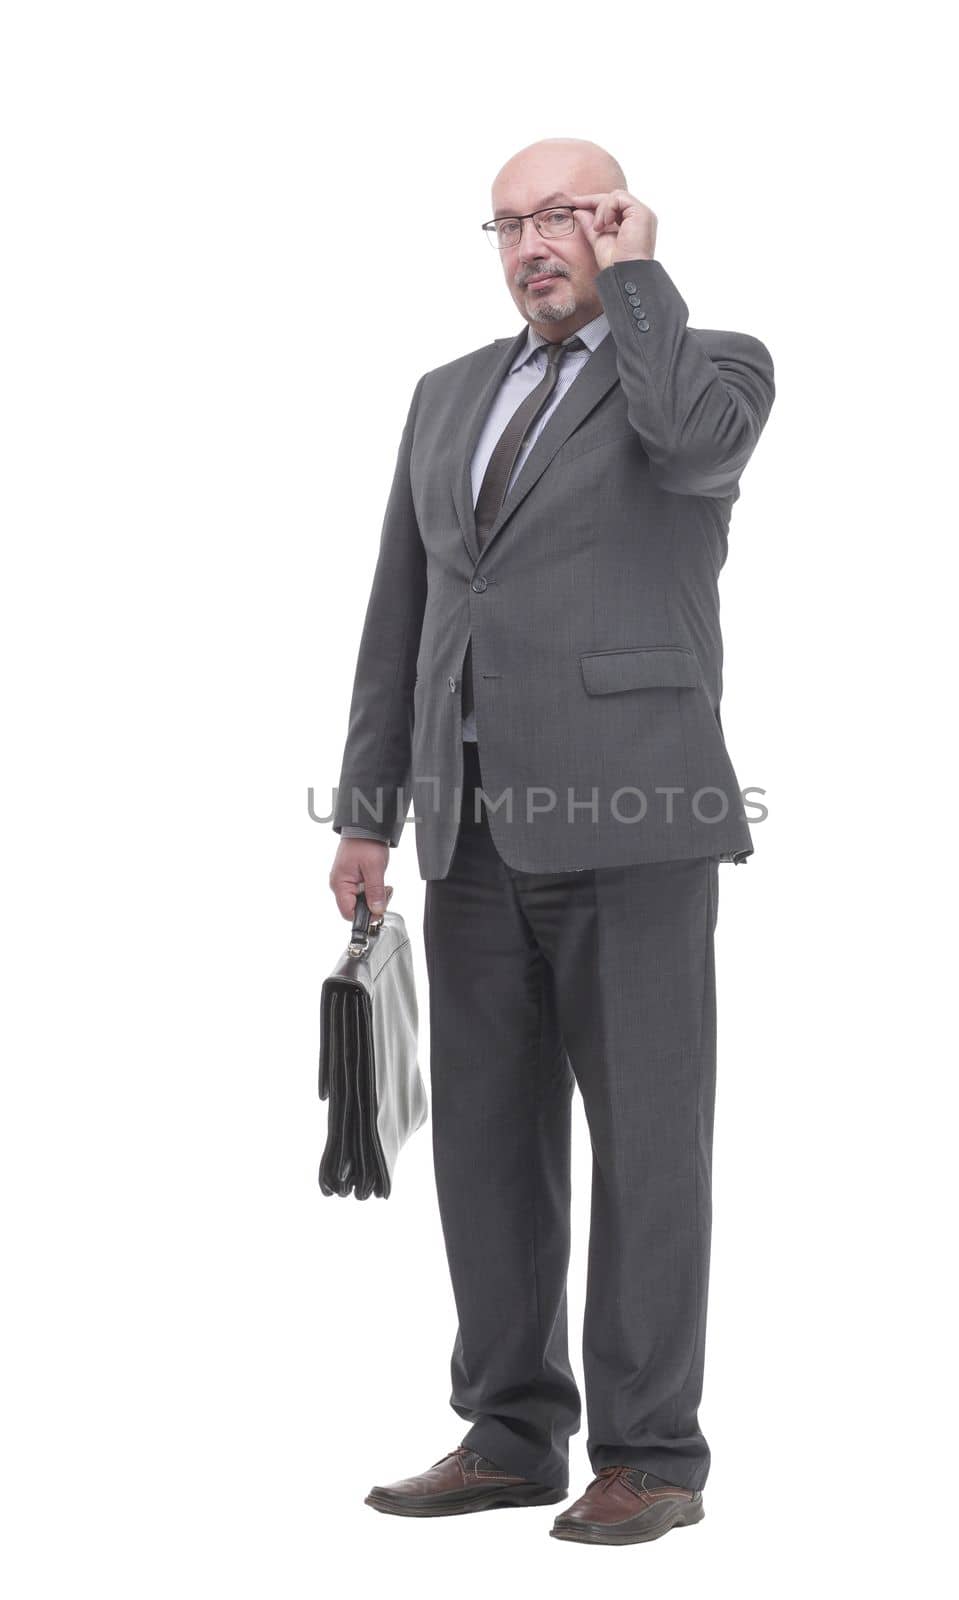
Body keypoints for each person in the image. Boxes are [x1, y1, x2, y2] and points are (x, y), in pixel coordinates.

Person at [328, 136, 775, 1546]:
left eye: (570, 217)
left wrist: (643, 281)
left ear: (621, 224)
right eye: (512, 223)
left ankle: (654, 1453)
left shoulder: (711, 362)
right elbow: (401, 614)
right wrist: (366, 810)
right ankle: (514, 1427)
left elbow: (691, 450)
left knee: (648, 1143)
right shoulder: (447, 395)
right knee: (488, 1147)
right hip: (467, 833)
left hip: (635, 819)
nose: (537, 244)